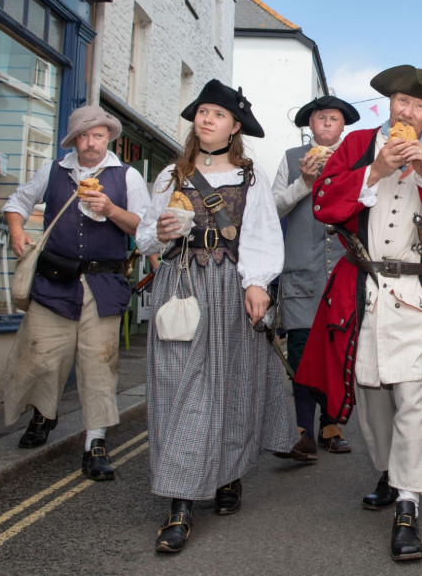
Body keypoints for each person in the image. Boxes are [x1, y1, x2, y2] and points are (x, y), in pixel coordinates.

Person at [293, 65, 422, 562]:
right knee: (371, 395)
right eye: (400, 102)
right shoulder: (355, 145)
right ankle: (387, 470)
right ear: (389, 104)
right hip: (364, 289)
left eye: (418, 107)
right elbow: (325, 206)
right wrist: (374, 171)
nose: (407, 112)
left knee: (412, 393)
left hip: (417, 292)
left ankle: (408, 504)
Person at [136, 80, 299, 553]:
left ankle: (227, 475)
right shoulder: (170, 175)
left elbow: (264, 236)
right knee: (178, 387)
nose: (207, 119)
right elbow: (146, 238)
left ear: (234, 128)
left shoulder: (250, 178)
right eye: (202, 112)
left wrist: (257, 283)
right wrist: (163, 231)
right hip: (180, 287)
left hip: (229, 288)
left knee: (230, 384)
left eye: (218, 114)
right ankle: (181, 502)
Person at [3, 105, 149, 480]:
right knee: (42, 356)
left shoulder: (127, 176)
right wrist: (18, 232)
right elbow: (17, 202)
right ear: (74, 140)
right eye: (83, 136)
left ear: (108, 137)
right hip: (54, 280)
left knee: (99, 363)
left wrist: (112, 209)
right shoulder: (54, 170)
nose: (90, 143)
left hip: (103, 285)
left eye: (97, 135)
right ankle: (44, 413)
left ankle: (95, 442)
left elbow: (145, 230)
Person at [272, 95, 360, 458]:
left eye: (334, 119)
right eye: (321, 118)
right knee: (301, 352)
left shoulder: (356, 157)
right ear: (311, 125)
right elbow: (274, 206)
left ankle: (331, 424)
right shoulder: (292, 158)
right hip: (301, 274)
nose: (327, 124)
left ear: (343, 126)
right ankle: (303, 430)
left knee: (338, 352)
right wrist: (304, 183)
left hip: (343, 271)